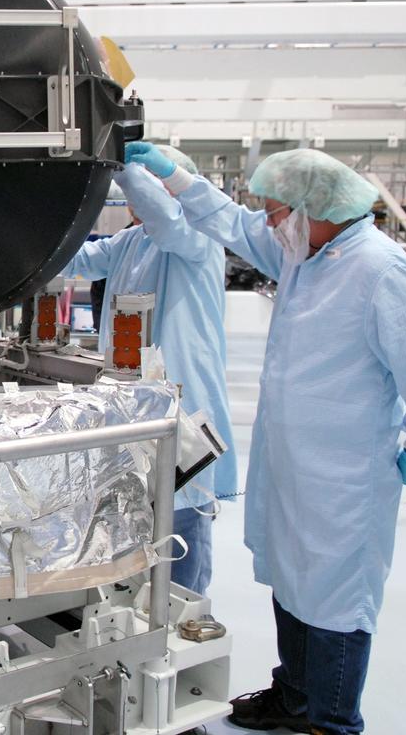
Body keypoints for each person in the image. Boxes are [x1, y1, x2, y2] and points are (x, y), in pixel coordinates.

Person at [125, 142, 406, 735]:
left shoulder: (380, 270)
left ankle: (331, 721)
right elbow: (229, 222)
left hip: (347, 475)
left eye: (277, 211)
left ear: (313, 208)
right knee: (291, 577)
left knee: (336, 597)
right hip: (293, 463)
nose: (269, 223)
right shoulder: (305, 254)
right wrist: (173, 176)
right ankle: (294, 697)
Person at [62, 146, 236, 597]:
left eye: (147, 186)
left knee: (181, 523)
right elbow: (77, 260)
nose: (136, 199)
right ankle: (137, 613)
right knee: (133, 516)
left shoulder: (196, 234)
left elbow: (166, 219)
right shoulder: (132, 241)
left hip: (181, 408)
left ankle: (184, 620)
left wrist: (121, 163)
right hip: (131, 405)